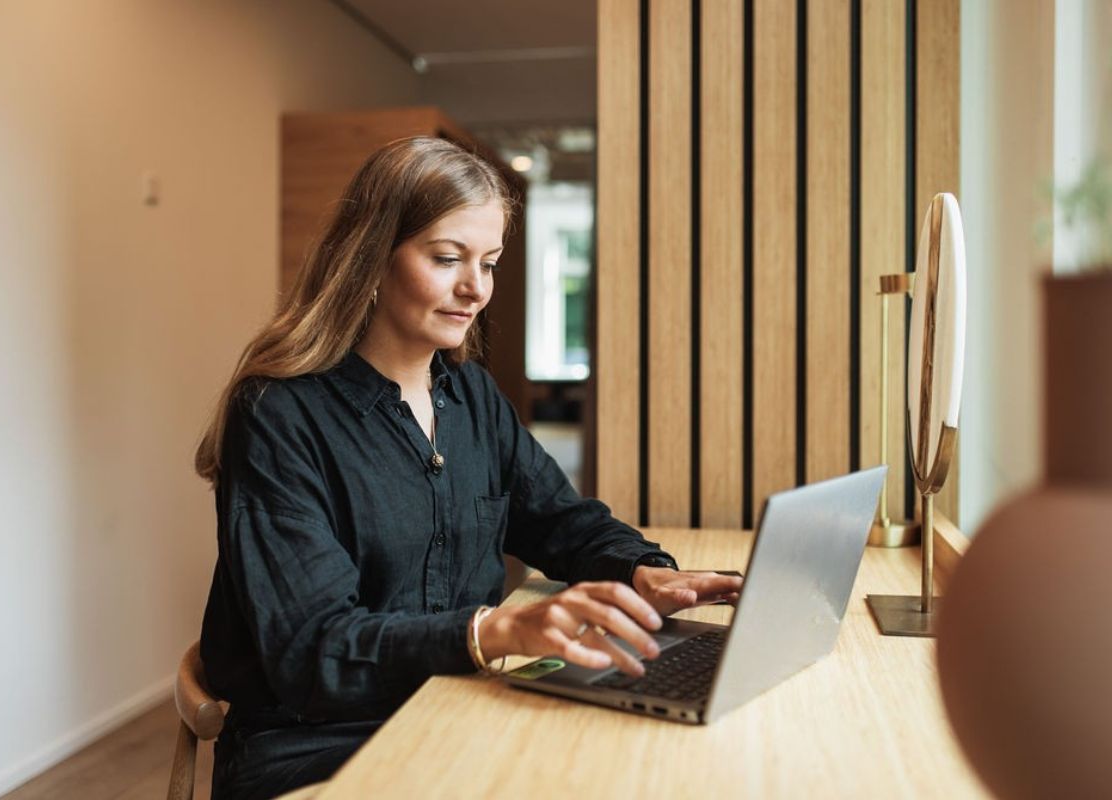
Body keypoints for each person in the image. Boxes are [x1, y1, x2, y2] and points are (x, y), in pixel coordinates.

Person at [194, 136, 743, 800]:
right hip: (316, 743)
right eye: (447, 258)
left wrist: (642, 573)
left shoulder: (471, 395)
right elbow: (312, 650)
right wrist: (493, 630)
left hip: (457, 705)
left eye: (490, 262)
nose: (475, 288)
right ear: (370, 258)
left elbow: (560, 522)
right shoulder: (280, 415)